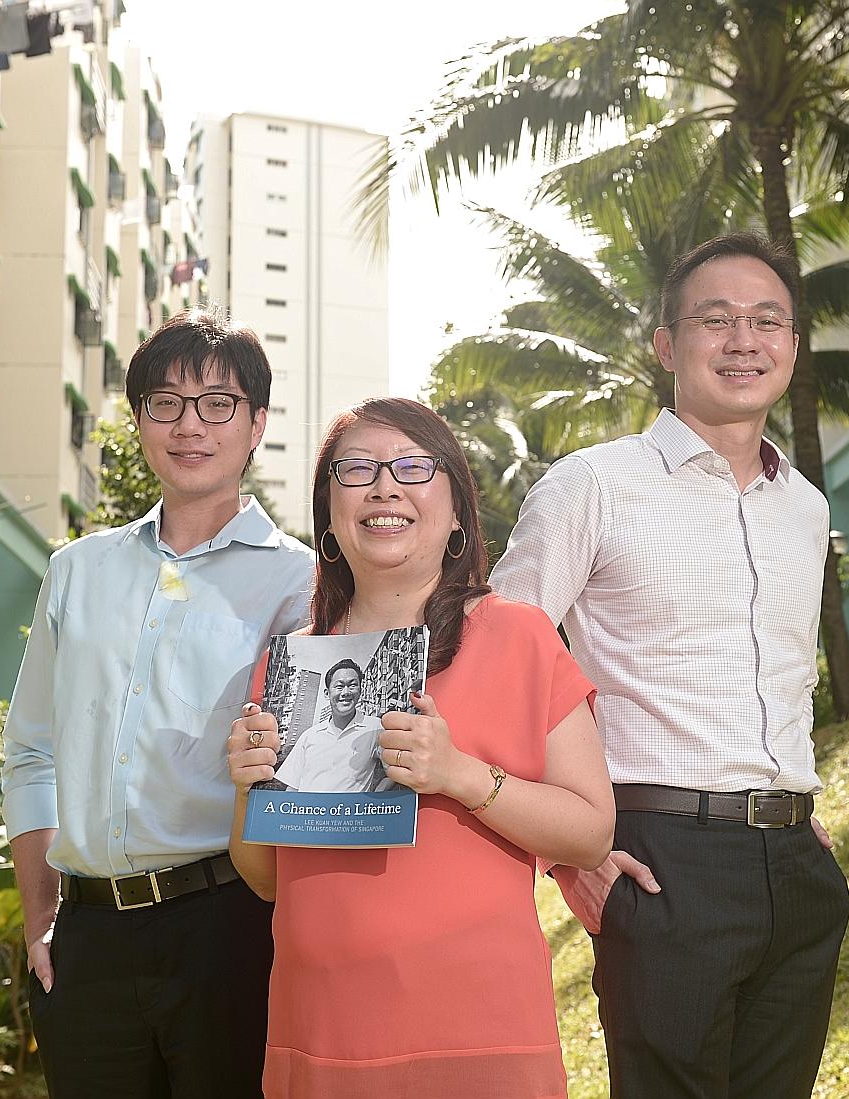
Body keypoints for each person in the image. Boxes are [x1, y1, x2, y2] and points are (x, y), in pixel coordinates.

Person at [490, 232, 849, 1099]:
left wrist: (797, 804)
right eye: (716, 319)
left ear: (793, 348)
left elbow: (786, 678)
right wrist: (564, 851)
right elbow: (502, 661)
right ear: (665, 345)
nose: (744, 340)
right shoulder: (593, 485)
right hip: (658, 860)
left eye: (768, 321)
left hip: (796, 864)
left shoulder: (803, 505)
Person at [226, 396, 616, 1099]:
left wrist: (460, 774)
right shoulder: (288, 665)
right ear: (329, 518)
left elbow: (591, 833)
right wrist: (247, 787)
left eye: (413, 465)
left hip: (480, 1035)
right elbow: (267, 877)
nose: (384, 486)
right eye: (356, 470)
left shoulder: (520, 636)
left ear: (459, 512)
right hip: (322, 1035)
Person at [1, 310, 315, 1099]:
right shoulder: (76, 570)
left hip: (227, 926)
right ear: (140, 420)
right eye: (165, 403)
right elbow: (33, 751)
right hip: (88, 938)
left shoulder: (302, 583)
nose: (189, 425)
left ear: (256, 425)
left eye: (217, 403)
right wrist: (41, 912)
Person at [273, 658, 391, 792]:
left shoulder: (375, 728)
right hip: (307, 810)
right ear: (327, 693)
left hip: (348, 811)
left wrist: (376, 797)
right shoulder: (310, 735)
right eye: (339, 686)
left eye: (352, 685)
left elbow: (393, 772)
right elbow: (292, 787)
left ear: (360, 691)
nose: (346, 692)